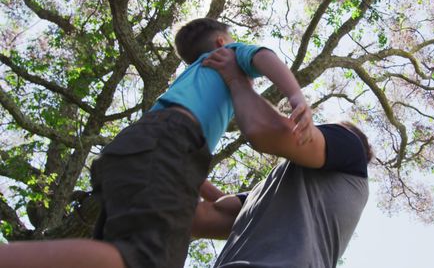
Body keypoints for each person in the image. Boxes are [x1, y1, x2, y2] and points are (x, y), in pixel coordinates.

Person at [0, 18, 312, 268]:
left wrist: (224, 201)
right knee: (146, 258)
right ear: (221, 42)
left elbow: (179, 172)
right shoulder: (224, 56)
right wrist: (296, 96)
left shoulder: (188, 84)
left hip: (131, 151)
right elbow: (263, 55)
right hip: (163, 141)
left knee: (119, 254)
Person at [190, 48, 371, 268]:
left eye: (326, 130)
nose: (316, 128)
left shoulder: (350, 146)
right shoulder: (268, 191)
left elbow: (265, 131)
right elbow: (202, 218)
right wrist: (182, 163)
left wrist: (235, 79)